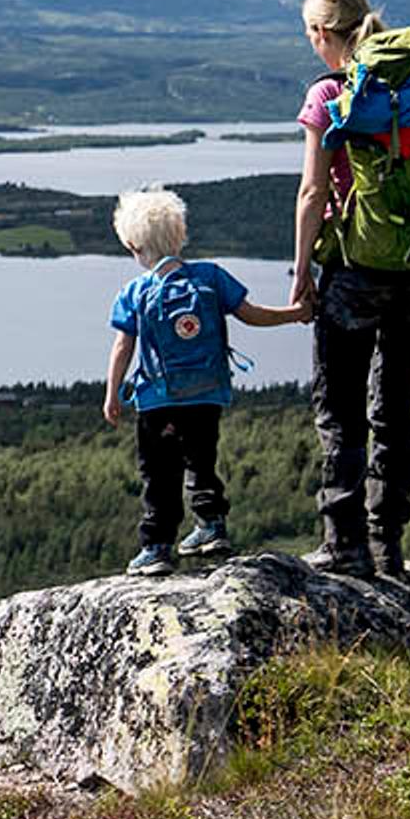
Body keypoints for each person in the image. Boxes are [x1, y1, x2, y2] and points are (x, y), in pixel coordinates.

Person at [290, 0, 410, 580]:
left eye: (311, 34)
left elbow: (315, 190)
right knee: (394, 407)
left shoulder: (329, 94)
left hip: (353, 271)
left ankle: (345, 544)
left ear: (322, 34)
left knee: (339, 407)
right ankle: (387, 542)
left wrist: (301, 272)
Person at [102, 187, 309, 575]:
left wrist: (112, 394)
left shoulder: (134, 292)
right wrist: (294, 314)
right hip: (207, 394)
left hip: (157, 401)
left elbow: (122, 347)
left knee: (159, 473)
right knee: (201, 461)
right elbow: (251, 314)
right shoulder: (210, 277)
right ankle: (212, 526)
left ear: (133, 246)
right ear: (180, 236)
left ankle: (157, 546)